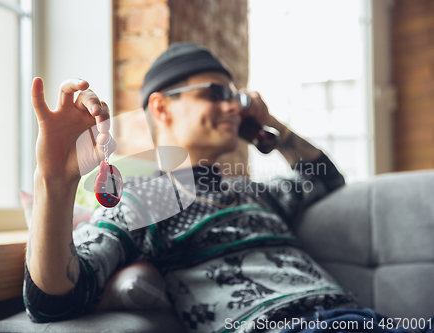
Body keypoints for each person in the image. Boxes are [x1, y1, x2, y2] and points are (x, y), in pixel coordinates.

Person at [23, 42, 430, 333]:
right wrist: (54, 183)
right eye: (217, 93)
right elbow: (58, 299)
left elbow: (324, 178)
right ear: (162, 108)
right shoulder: (147, 196)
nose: (234, 106)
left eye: (236, 96)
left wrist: (272, 131)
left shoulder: (250, 193)